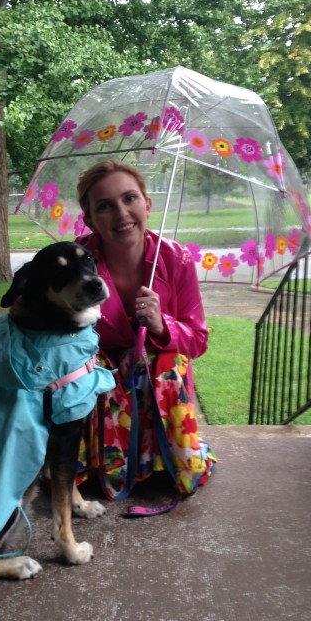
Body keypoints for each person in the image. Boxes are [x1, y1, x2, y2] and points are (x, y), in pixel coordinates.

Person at [74, 159, 216, 502]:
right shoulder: (78, 260)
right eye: (105, 206)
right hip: (101, 361)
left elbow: (197, 340)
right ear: (90, 219)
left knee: (170, 365)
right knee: (90, 371)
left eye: (130, 198)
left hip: (154, 371)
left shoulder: (177, 259)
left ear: (147, 204)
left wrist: (161, 324)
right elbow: (63, 335)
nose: (121, 213)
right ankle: (103, 466)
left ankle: (169, 461)